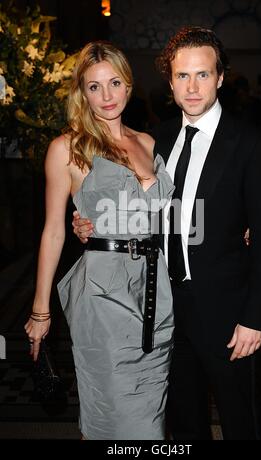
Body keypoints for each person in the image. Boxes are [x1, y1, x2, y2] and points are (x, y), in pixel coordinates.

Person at [73, 27, 261, 440]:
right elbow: (137, 206)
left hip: (227, 312)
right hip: (164, 307)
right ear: (169, 81)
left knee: (240, 419)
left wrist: (254, 319)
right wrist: (89, 225)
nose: (192, 86)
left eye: (202, 75)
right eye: (182, 76)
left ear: (220, 77)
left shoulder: (252, 144)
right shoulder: (158, 139)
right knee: (184, 422)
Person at [24, 40, 174, 440]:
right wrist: (41, 311)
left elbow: (175, 211)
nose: (106, 96)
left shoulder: (150, 143)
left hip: (157, 294)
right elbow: (54, 229)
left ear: (129, 85)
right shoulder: (67, 149)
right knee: (115, 414)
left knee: (151, 416)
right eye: (94, 87)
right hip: (103, 296)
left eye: (114, 83)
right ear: (82, 92)